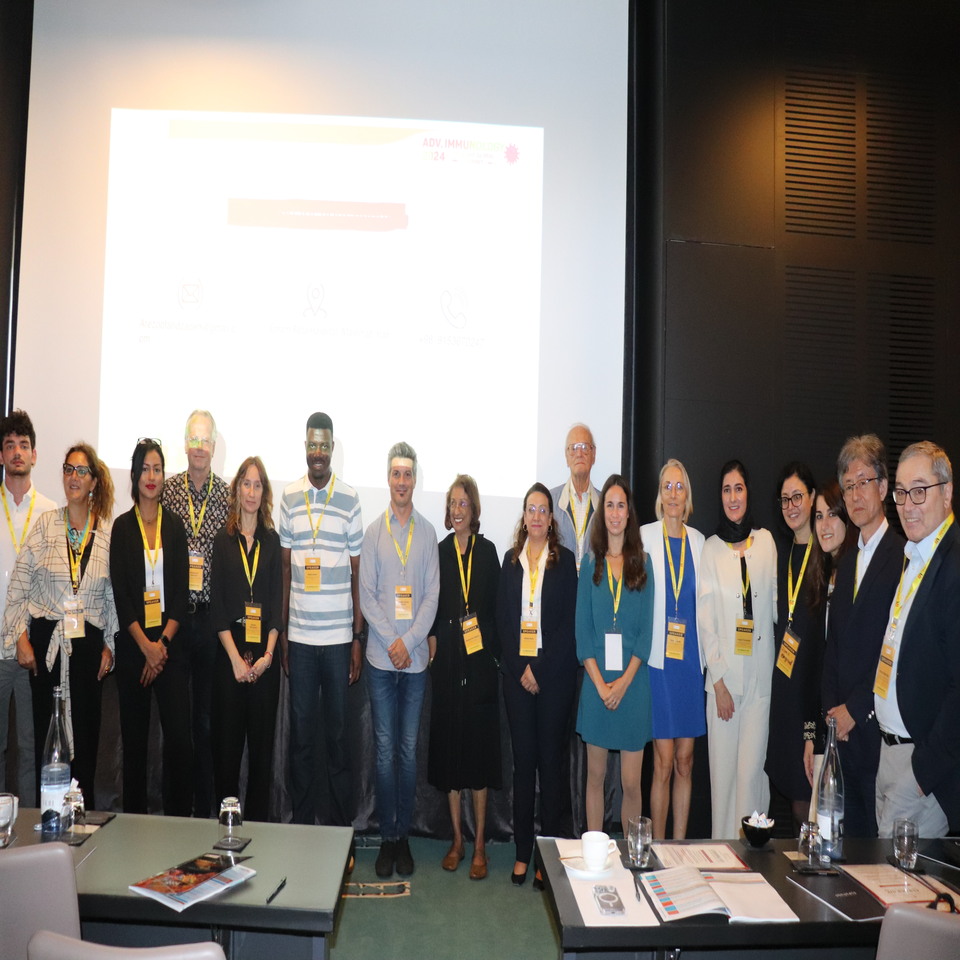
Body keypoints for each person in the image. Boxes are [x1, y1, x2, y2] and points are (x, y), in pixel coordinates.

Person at [2, 441, 116, 808]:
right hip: (47, 648)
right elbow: (18, 586)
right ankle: (49, 820)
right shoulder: (45, 525)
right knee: (46, 743)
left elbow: (113, 597)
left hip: (88, 651)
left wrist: (110, 646)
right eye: (68, 469)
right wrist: (20, 638)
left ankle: (83, 824)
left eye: (82, 471)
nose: (74, 477)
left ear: (94, 481)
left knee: (85, 743)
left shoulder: (106, 535)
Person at [279, 413, 364, 829]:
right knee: (301, 739)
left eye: (324, 446)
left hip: (337, 641)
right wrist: (282, 634)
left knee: (338, 738)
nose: (318, 452)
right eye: (312, 445)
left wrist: (357, 638)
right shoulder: (288, 497)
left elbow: (357, 573)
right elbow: (284, 570)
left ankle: (339, 830)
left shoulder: (350, 499)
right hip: (299, 638)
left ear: (332, 448)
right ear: (305, 447)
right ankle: (301, 824)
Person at [359, 442, 439, 879]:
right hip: (380, 660)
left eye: (408, 474)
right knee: (385, 749)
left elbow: (432, 596)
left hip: (415, 664)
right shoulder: (374, 533)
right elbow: (366, 596)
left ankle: (403, 836)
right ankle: (387, 838)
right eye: (396, 474)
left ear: (415, 479)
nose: (402, 481)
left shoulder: (427, 534)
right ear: (388, 479)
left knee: (407, 753)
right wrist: (394, 642)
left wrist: (408, 643)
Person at [874, 442, 960, 837]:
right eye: (901, 492)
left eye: (920, 491)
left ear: (947, 492)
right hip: (889, 752)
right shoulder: (915, 555)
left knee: (899, 876)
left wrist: (924, 773)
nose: (908, 505)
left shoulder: (954, 564)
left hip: (922, 766)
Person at [821, 434, 903, 838]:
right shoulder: (848, 558)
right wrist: (831, 714)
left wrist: (855, 709)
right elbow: (834, 645)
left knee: (876, 855)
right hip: (841, 734)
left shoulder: (902, 556)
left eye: (863, 482)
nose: (855, 495)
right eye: (848, 486)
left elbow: (893, 650)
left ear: (883, 487)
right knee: (844, 852)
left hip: (875, 731)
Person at [497, 483, 578, 887]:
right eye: (531, 509)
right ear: (524, 516)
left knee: (551, 764)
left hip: (553, 679)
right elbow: (503, 622)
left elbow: (567, 627)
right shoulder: (511, 561)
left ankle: (548, 854)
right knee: (523, 765)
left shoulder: (565, 562)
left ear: (551, 519)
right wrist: (521, 669)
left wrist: (539, 671)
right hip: (517, 678)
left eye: (543, 510)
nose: (536, 516)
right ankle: (522, 852)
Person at [110, 438, 191, 815]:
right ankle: (134, 824)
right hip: (134, 651)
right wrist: (146, 647)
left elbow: (180, 593)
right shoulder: (122, 527)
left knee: (179, 743)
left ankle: (178, 823)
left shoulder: (174, 526)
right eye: (145, 468)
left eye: (157, 469)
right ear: (134, 474)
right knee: (135, 745)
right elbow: (122, 595)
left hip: (170, 649)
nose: (152, 476)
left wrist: (161, 647)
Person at [427, 475, 501, 881]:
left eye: (463, 503)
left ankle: (480, 845)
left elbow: (496, 609)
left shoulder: (488, 553)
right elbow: (432, 605)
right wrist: (433, 640)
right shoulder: (439, 552)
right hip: (447, 667)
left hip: (480, 667)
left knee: (478, 759)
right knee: (451, 758)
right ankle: (456, 840)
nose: (457, 510)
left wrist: (492, 654)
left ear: (474, 509)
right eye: (452, 503)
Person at [698, 459, 776, 839]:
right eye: (727, 490)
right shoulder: (711, 549)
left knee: (750, 779)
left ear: (748, 493)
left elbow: (777, 607)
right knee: (724, 782)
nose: (733, 497)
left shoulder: (766, 543)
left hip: (759, 685)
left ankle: (750, 860)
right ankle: (721, 859)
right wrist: (719, 682)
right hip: (724, 686)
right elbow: (705, 622)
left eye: (739, 488)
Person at [161, 410, 229, 818]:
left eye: (205, 440)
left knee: (205, 722)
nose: (199, 447)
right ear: (185, 445)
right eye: (193, 439)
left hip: (210, 622)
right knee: (175, 724)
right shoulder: (168, 491)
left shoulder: (227, 495)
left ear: (214, 447)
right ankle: (174, 811)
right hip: (174, 619)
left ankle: (204, 813)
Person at [576, 475, 654, 833]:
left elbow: (645, 637)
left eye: (621, 505)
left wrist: (621, 685)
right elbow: (583, 635)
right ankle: (595, 851)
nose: (615, 512)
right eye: (609, 505)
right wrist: (602, 686)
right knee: (594, 778)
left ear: (629, 513)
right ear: (601, 512)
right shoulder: (590, 564)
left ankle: (630, 855)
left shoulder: (644, 564)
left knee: (631, 784)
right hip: (597, 686)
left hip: (632, 687)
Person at [210, 457, 282, 822]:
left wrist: (267, 657)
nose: (251, 492)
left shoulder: (273, 542)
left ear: (264, 493)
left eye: (258, 485)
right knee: (227, 751)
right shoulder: (223, 542)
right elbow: (218, 607)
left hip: (265, 653)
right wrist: (236, 660)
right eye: (246, 484)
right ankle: (226, 826)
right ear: (237, 489)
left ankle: (259, 829)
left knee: (262, 754)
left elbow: (276, 607)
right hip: (230, 652)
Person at [640, 459, 706, 840]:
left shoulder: (699, 542)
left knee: (686, 761)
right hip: (659, 664)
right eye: (667, 486)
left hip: (690, 665)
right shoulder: (645, 537)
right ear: (660, 494)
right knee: (663, 763)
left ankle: (678, 847)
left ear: (687, 495)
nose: (673, 494)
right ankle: (659, 846)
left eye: (679, 487)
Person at [0, 410, 56, 805]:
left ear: (35, 455)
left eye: (24, 445)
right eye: (9, 445)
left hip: (32, 648)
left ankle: (31, 824)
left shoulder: (50, 513)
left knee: (29, 747)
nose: (17, 452)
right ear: (1, 455)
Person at [765, 462, 821, 830]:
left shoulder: (826, 557)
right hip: (783, 695)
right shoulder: (782, 555)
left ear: (813, 497)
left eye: (797, 496)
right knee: (785, 794)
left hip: (810, 699)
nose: (791, 506)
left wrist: (812, 728)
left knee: (806, 801)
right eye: (785, 499)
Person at [802, 478, 856, 792]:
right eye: (819, 516)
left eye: (832, 515)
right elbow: (819, 667)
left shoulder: (856, 577)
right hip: (826, 726)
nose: (824, 525)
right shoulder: (823, 578)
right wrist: (812, 737)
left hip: (851, 726)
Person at [550, 424, 599, 572]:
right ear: (566, 456)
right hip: (560, 583)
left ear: (593, 454)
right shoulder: (550, 501)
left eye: (584, 447)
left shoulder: (606, 505)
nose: (579, 453)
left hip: (593, 583)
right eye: (574, 448)